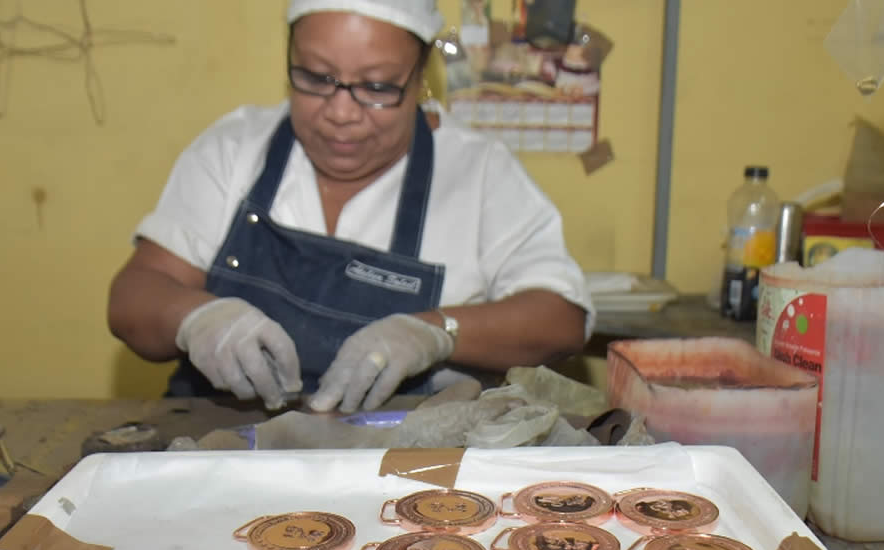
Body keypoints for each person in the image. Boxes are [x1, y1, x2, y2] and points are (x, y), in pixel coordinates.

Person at [108, 0, 592, 414]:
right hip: (220, 450)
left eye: (377, 87)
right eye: (316, 78)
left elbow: (560, 319)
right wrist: (196, 319)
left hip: (401, 474)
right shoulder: (235, 150)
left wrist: (434, 331)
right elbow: (132, 298)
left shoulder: (479, 175)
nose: (341, 113)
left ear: (421, 77)